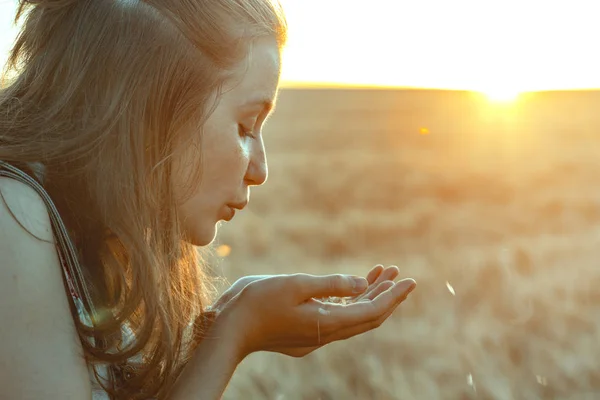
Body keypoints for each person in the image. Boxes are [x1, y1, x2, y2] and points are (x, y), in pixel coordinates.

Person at [0, 0, 417, 399]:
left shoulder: (76, 229)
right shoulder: (13, 217)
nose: (260, 170)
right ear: (153, 105)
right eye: (245, 126)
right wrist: (234, 333)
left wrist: (226, 326)